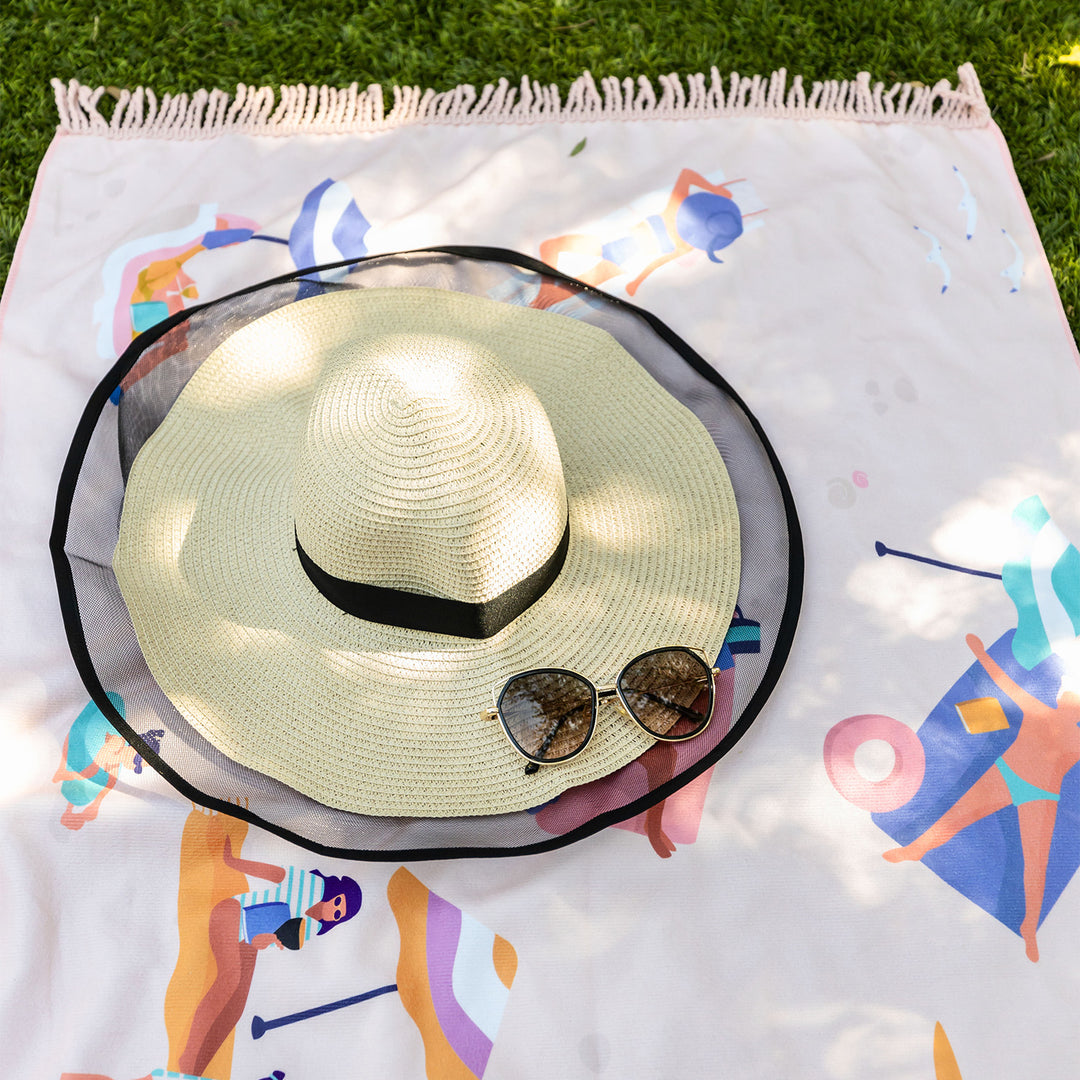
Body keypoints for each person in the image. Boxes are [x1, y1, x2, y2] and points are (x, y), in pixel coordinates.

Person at [884, 633, 1080, 961]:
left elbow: (1006, 684)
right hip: (1007, 775)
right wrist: (980, 653)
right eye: (1066, 696)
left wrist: (982, 654)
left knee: (1035, 862)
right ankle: (915, 849)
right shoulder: (1040, 712)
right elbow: (1005, 684)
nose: (1065, 700)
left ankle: (1029, 927)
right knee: (955, 818)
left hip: (1040, 795)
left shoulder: (1071, 735)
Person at [176, 836, 361, 1075]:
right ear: (336, 892)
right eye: (338, 902)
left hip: (250, 940)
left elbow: (270, 938)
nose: (332, 910)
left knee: (236, 1006)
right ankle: (188, 1058)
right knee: (228, 981)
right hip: (232, 913)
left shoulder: (312, 928)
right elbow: (273, 873)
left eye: (337, 914)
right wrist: (233, 861)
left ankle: (196, 1069)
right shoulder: (312, 885)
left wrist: (263, 941)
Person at [536, 167, 746, 305]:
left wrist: (637, 281)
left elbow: (656, 263)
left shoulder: (683, 237)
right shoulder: (676, 212)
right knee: (552, 248)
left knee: (568, 288)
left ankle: (539, 300)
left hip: (621, 260)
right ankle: (544, 288)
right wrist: (713, 188)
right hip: (614, 246)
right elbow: (687, 175)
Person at [53, 697, 138, 830]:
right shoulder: (107, 762)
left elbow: (75, 733)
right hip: (110, 712)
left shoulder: (81, 758)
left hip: (104, 706)